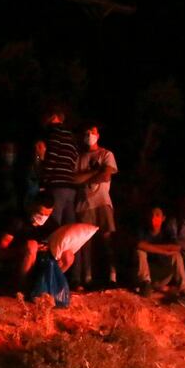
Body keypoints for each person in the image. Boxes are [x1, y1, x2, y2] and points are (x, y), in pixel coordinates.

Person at [74, 124, 118, 290]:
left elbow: (106, 175)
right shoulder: (79, 157)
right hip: (84, 204)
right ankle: (87, 278)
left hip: (102, 202)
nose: (89, 135)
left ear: (98, 135)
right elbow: (74, 180)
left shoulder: (106, 154)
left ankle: (112, 276)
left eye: (92, 132)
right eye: (86, 133)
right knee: (86, 243)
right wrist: (95, 173)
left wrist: (85, 177)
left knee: (107, 239)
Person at [0, 196, 59, 292]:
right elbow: (0, 252)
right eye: (40, 213)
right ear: (32, 207)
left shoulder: (51, 224)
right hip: (16, 259)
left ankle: (47, 288)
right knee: (32, 245)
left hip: (40, 262)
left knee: (68, 256)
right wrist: (24, 250)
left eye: (47, 215)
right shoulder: (18, 221)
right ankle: (20, 289)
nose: (43, 218)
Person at [135, 206, 185, 303]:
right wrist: (164, 251)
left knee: (176, 255)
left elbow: (176, 247)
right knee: (140, 252)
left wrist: (151, 248)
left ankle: (183, 291)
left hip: (163, 277)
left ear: (163, 218)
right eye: (151, 215)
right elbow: (139, 245)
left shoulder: (166, 232)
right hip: (149, 277)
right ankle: (145, 284)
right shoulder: (143, 231)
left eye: (157, 215)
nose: (154, 218)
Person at [41, 103, 78, 226]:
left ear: (53, 116)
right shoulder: (71, 136)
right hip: (70, 186)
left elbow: (52, 157)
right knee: (68, 226)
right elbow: (73, 159)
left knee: (53, 223)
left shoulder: (54, 133)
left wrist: (44, 181)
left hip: (56, 184)